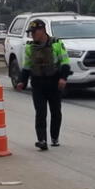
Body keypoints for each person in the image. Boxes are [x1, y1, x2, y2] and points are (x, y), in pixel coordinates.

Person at [16, 19, 70, 151]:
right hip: (38, 84)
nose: (32, 34)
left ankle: (54, 137)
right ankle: (42, 140)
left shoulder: (57, 44)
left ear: (42, 30)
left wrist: (63, 78)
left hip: (54, 83)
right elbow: (27, 66)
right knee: (40, 112)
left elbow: (65, 62)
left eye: (35, 32)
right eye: (31, 32)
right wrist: (22, 81)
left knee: (55, 112)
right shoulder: (29, 47)